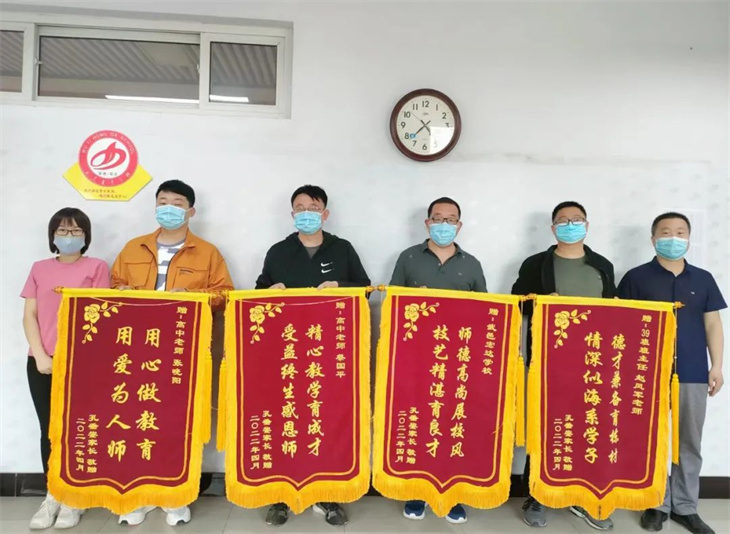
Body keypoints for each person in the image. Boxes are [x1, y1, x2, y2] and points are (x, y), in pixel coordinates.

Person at [110, 180, 234, 526]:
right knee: (135, 419)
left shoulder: (207, 252)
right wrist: (125, 291)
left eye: (177, 203)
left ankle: (175, 495)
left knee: (180, 421)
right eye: (162, 201)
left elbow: (225, 294)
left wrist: (192, 297)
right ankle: (138, 495)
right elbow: (113, 287)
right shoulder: (133, 248)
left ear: (191, 211)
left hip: (184, 349)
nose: (169, 208)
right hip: (136, 350)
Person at [255, 184, 370, 527]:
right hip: (286, 353)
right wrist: (269, 292)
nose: (307, 213)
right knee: (286, 420)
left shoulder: (342, 249)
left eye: (314, 207)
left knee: (326, 420)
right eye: (300, 208)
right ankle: (280, 496)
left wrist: (341, 288)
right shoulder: (278, 251)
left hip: (329, 353)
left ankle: (327, 495)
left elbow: (365, 289)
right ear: (292, 214)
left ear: (325, 213)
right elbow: (257, 294)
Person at [618, 212, 725, 534]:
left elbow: (713, 324)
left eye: (680, 232)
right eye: (665, 232)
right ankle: (655, 502)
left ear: (689, 239)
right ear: (653, 239)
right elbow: (620, 324)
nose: (673, 238)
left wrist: (716, 366)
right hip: (646, 373)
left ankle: (686, 507)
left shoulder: (703, 279)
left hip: (692, 372)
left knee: (688, 441)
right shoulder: (636, 278)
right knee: (651, 440)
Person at [512, 201, 616, 531]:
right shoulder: (536, 264)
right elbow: (516, 304)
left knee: (588, 427)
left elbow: (614, 312)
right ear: (553, 227)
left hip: (592, 363)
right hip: (547, 361)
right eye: (563, 220)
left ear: (587, 225)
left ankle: (582, 496)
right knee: (544, 425)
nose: (570, 225)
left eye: (577, 219)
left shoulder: (602, 266)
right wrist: (541, 301)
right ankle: (537, 495)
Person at [390, 196, 486, 524]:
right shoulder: (408, 257)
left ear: (459, 225)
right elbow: (392, 303)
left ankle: (452, 494)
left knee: (454, 424)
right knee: (419, 421)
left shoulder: (471, 263)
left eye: (451, 219)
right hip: (417, 358)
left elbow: (485, 313)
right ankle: (417, 492)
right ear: (427, 222)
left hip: (459, 361)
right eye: (438, 218)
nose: (444, 224)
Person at [21, 208, 110, 530]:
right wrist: (41, 355)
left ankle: (75, 497)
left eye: (75, 231)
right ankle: (53, 494)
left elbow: (100, 314)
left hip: (83, 363)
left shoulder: (97, 267)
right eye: (62, 231)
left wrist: (80, 360)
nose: (69, 237)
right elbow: (29, 316)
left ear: (86, 236)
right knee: (49, 429)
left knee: (78, 428)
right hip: (41, 361)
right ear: (52, 235)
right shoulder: (39, 268)